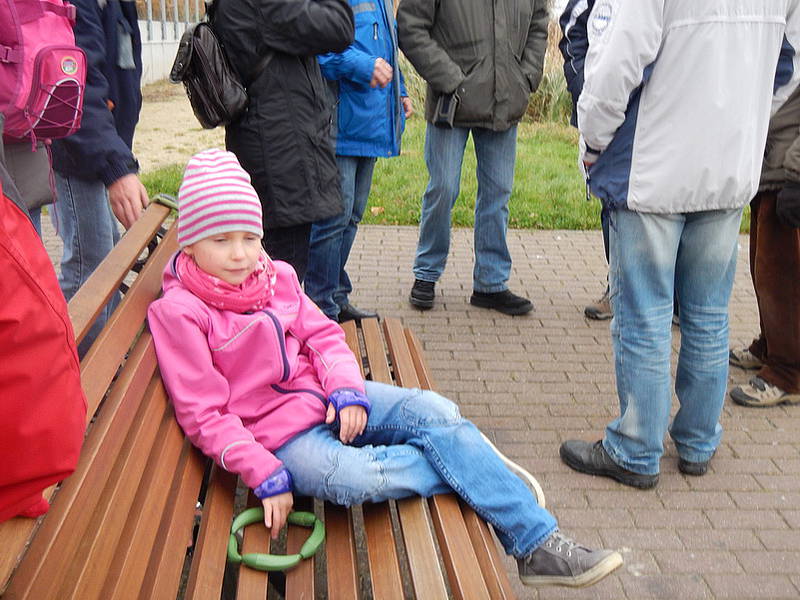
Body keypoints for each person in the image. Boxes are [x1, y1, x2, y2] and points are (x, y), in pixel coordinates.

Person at [147, 149, 623, 589]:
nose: (240, 254)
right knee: (352, 478)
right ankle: (473, 469)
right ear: (190, 243)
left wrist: (345, 389)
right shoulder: (181, 313)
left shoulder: (274, 277)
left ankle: (536, 543)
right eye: (221, 240)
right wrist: (262, 470)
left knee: (434, 412)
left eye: (250, 238)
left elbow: (323, 336)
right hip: (276, 439)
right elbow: (204, 414)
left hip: (326, 398)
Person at [559, 1, 800, 488]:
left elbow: (618, 62)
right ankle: (697, 441)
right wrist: (745, 123)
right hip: (727, 166)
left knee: (644, 316)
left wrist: (594, 140)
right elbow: (787, 66)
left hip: (654, 166)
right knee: (708, 314)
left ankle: (635, 447)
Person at [397, 0, 548, 315]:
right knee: (443, 189)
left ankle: (491, 284)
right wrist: (452, 80)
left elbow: (538, 23)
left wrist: (527, 76)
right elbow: (411, 28)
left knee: (498, 194)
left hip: (505, 100)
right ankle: (426, 273)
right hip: (451, 102)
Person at [212, 0, 354, 283]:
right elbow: (339, 27)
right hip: (281, 156)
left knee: (277, 275)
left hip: (276, 146)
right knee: (281, 279)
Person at [49, 0, 149, 352]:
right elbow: (79, 86)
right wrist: (115, 166)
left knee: (107, 259)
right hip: (79, 150)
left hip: (103, 145)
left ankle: (104, 359)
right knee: (89, 267)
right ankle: (76, 368)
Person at [306, 0, 412, 323]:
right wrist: (366, 66)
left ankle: (336, 296)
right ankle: (318, 306)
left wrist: (400, 90)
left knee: (351, 216)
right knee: (333, 218)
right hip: (340, 124)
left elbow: (385, 48)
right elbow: (319, 52)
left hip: (371, 123)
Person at [728, 86, 800, 408]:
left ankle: (789, 373)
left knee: (783, 279)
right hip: (773, 162)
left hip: (789, 170)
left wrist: (796, 172)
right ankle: (772, 346)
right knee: (765, 270)